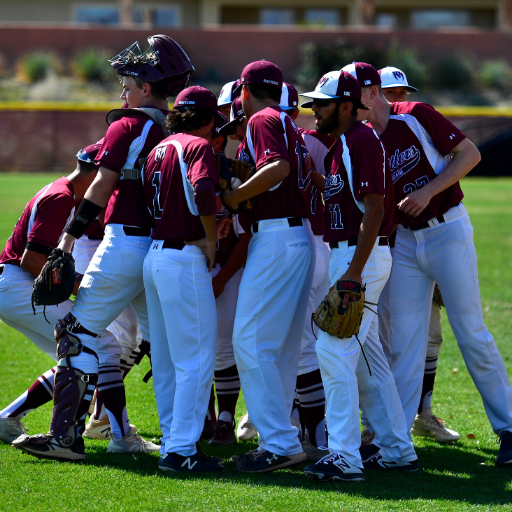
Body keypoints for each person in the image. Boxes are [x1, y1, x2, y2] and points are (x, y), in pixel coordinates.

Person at [12, 35, 194, 462]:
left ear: (147, 87)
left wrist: (69, 237)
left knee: (75, 334)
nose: (123, 89)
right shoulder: (177, 129)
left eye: (129, 81)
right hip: (160, 251)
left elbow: (101, 183)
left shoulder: (128, 125)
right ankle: (177, 443)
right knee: (164, 350)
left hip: (126, 243)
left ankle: (65, 438)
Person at [355, 60, 512, 467]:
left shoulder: (416, 116)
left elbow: (470, 154)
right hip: (405, 241)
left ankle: (509, 427)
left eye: (349, 92)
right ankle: (395, 441)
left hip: (447, 229)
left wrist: (427, 190)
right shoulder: (362, 137)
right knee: (405, 343)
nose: (400, 99)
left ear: (371, 93)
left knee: (470, 330)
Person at [300, 70, 418, 482]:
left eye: (322, 103)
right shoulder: (343, 145)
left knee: (332, 354)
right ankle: (397, 449)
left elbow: (374, 209)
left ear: (346, 106)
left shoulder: (359, 141)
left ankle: (345, 456)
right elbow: (346, 198)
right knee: (369, 363)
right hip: (354, 254)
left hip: (358, 258)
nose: (314, 109)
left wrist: (351, 274)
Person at [222, 60, 315, 473]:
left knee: (249, 340)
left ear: (243, 90)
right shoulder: (285, 119)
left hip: (277, 237)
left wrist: (235, 194)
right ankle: (280, 439)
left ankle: (278, 443)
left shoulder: (260, 117)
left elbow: (277, 169)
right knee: (280, 349)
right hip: (296, 235)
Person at [0, 144, 112, 445]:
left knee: (75, 359)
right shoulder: (61, 197)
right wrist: (80, 286)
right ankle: (107, 428)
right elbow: (32, 259)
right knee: (99, 346)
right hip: (19, 285)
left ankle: (9, 418)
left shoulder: (65, 191)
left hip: (14, 287)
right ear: (99, 173)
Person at [375, 65, 460, 444]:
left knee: (429, 334)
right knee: (382, 337)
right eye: (390, 93)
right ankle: (379, 420)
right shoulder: (367, 137)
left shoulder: (415, 125)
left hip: (422, 243)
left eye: (402, 92)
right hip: (385, 250)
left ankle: (423, 413)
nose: (398, 99)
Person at [142, 86, 225, 472]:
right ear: (207, 119)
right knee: (195, 359)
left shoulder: (156, 150)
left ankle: (172, 441)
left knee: (167, 360)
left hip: (155, 256)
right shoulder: (197, 145)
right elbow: (203, 188)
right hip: (182, 259)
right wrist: (210, 236)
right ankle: (182, 451)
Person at [279, 82, 330, 460]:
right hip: (323, 242)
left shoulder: (281, 139)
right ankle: (309, 427)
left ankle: (316, 435)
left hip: (300, 243)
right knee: (309, 344)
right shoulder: (314, 141)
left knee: (300, 346)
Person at [206, 112, 251, 446]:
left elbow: (245, 237)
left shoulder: (235, 175)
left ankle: (224, 419)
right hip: (187, 266)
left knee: (224, 347)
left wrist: (221, 279)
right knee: (190, 349)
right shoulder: (176, 161)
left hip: (226, 270)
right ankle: (204, 419)